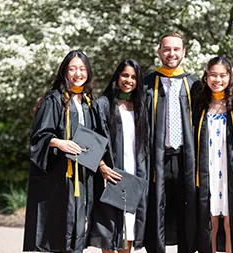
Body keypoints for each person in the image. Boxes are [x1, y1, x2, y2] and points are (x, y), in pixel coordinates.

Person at [23, 50, 96, 252]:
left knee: (77, 232)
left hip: (81, 177)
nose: (78, 73)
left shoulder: (89, 103)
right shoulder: (54, 100)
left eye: (82, 69)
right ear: (64, 71)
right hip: (59, 178)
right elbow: (39, 137)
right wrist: (59, 143)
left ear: (88, 72)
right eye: (72, 68)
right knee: (57, 231)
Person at [144, 32, 199, 253]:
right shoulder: (147, 83)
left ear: (183, 52)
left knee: (186, 207)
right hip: (158, 159)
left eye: (176, 49)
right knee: (157, 208)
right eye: (167, 49)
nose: (171, 53)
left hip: (186, 158)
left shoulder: (194, 84)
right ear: (159, 52)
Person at [88, 59, 149, 253]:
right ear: (117, 76)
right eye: (125, 75)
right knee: (109, 233)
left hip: (134, 177)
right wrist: (102, 167)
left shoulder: (140, 107)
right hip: (110, 175)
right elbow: (90, 142)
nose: (129, 80)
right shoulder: (102, 105)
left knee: (127, 234)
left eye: (133, 77)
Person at [193, 56, 233, 253]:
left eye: (222, 75)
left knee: (229, 221)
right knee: (210, 220)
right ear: (206, 77)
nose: (217, 80)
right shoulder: (200, 105)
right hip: (208, 166)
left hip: (229, 168)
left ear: (229, 77)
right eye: (213, 75)